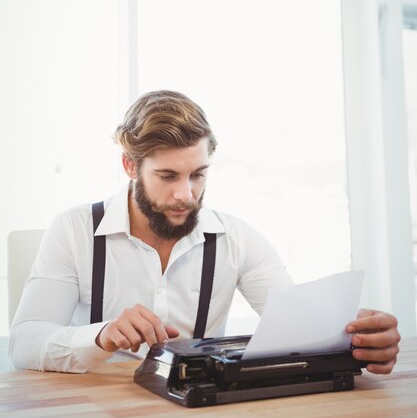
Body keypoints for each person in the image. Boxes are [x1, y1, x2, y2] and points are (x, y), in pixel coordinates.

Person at [9, 90, 400, 374]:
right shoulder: (73, 230)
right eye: (167, 176)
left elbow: (300, 330)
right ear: (130, 167)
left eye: (198, 175)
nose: (186, 194)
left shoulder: (239, 239)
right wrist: (101, 336)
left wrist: (357, 340)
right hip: (94, 412)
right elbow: (25, 344)